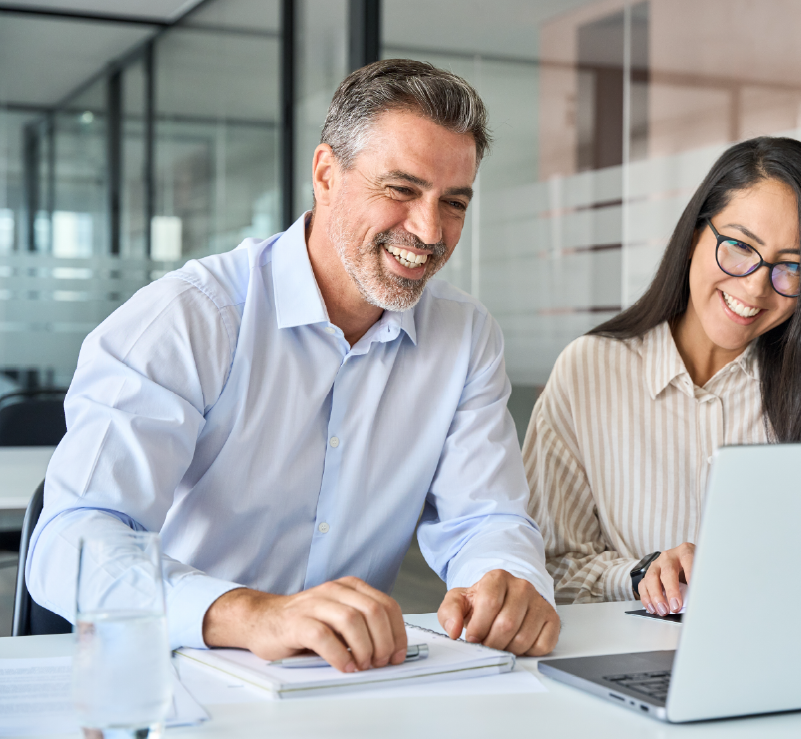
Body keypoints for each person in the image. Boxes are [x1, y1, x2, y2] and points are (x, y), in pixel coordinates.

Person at [27, 59, 559, 669]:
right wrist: (252, 613)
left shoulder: (465, 337)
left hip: (347, 682)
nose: (428, 230)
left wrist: (508, 581)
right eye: (402, 190)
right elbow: (70, 542)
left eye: (454, 202)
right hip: (174, 671)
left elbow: (485, 518)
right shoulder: (191, 317)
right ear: (327, 174)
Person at [523, 137, 801, 615]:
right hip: (641, 654)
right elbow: (548, 570)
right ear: (694, 236)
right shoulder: (589, 371)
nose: (755, 286)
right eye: (740, 246)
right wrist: (643, 574)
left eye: (792, 267)